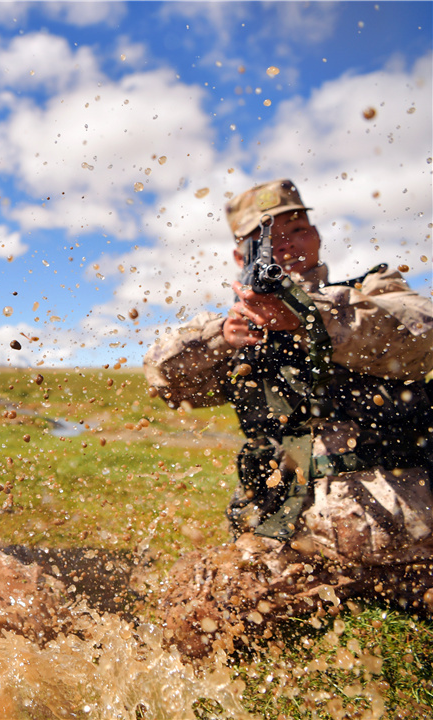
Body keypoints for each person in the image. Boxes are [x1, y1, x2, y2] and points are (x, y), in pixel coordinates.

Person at [143, 178, 433, 655]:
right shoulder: (237, 331)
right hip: (296, 545)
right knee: (196, 617)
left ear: (316, 235)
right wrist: (224, 335)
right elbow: (164, 378)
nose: (287, 244)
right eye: (267, 238)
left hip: (414, 539)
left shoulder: (372, 294)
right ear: (242, 258)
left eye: (297, 228)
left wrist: (311, 317)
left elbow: (418, 329)